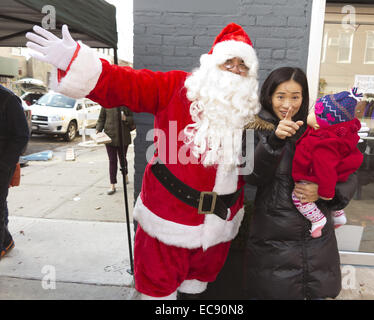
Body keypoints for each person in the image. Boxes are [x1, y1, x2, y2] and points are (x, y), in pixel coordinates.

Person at [26, 23, 260, 299]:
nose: (235, 70)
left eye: (242, 65)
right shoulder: (176, 87)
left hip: (218, 229)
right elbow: (128, 84)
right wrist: (77, 61)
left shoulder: (244, 109)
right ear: (211, 64)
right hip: (168, 222)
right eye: (227, 62)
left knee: (197, 290)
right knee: (157, 292)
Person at [243, 67, 358, 300]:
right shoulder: (253, 128)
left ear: (304, 98)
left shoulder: (318, 126)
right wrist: (274, 141)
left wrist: (326, 192)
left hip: (316, 243)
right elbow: (252, 177)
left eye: (295, 96)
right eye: (281, 96)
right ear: (268, 96)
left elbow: (350, 173)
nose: (288, 104)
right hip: (274, 241)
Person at [291, 88, 364, 238]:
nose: (310, 115)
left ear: (322, 123)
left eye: (315, 115)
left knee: (298, 198)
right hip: (322, 176)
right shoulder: (328, 135)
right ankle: (338, 214)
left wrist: (325, 193)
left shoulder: (323, 143)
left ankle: (317, 219)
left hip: (311, 176)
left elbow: (325, 169)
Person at [0, 85, 29, 260]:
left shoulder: (8, 99)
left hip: (2, 162)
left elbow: (22, 135)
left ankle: (3, 243)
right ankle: (6, 239)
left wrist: (4, 164)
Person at [96, 106, 135, 195]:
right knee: (112, 161)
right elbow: (101, 118)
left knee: (122, 158)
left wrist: (126, 118)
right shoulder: (106, 103)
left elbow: (134, 118)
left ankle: (125, 174)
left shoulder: (126, 102)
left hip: (123, 137)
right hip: (109, 136)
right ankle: (112, 184)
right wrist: (98, 129)